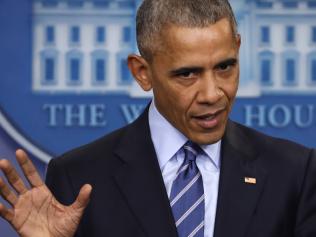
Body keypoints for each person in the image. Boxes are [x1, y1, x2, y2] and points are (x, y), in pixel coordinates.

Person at [0, 0, 316, 236]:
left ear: (238, 48)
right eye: (187, 74)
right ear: (142, 73)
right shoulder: (77, 176)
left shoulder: (294, 172)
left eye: (225, 67)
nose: (212, 93)